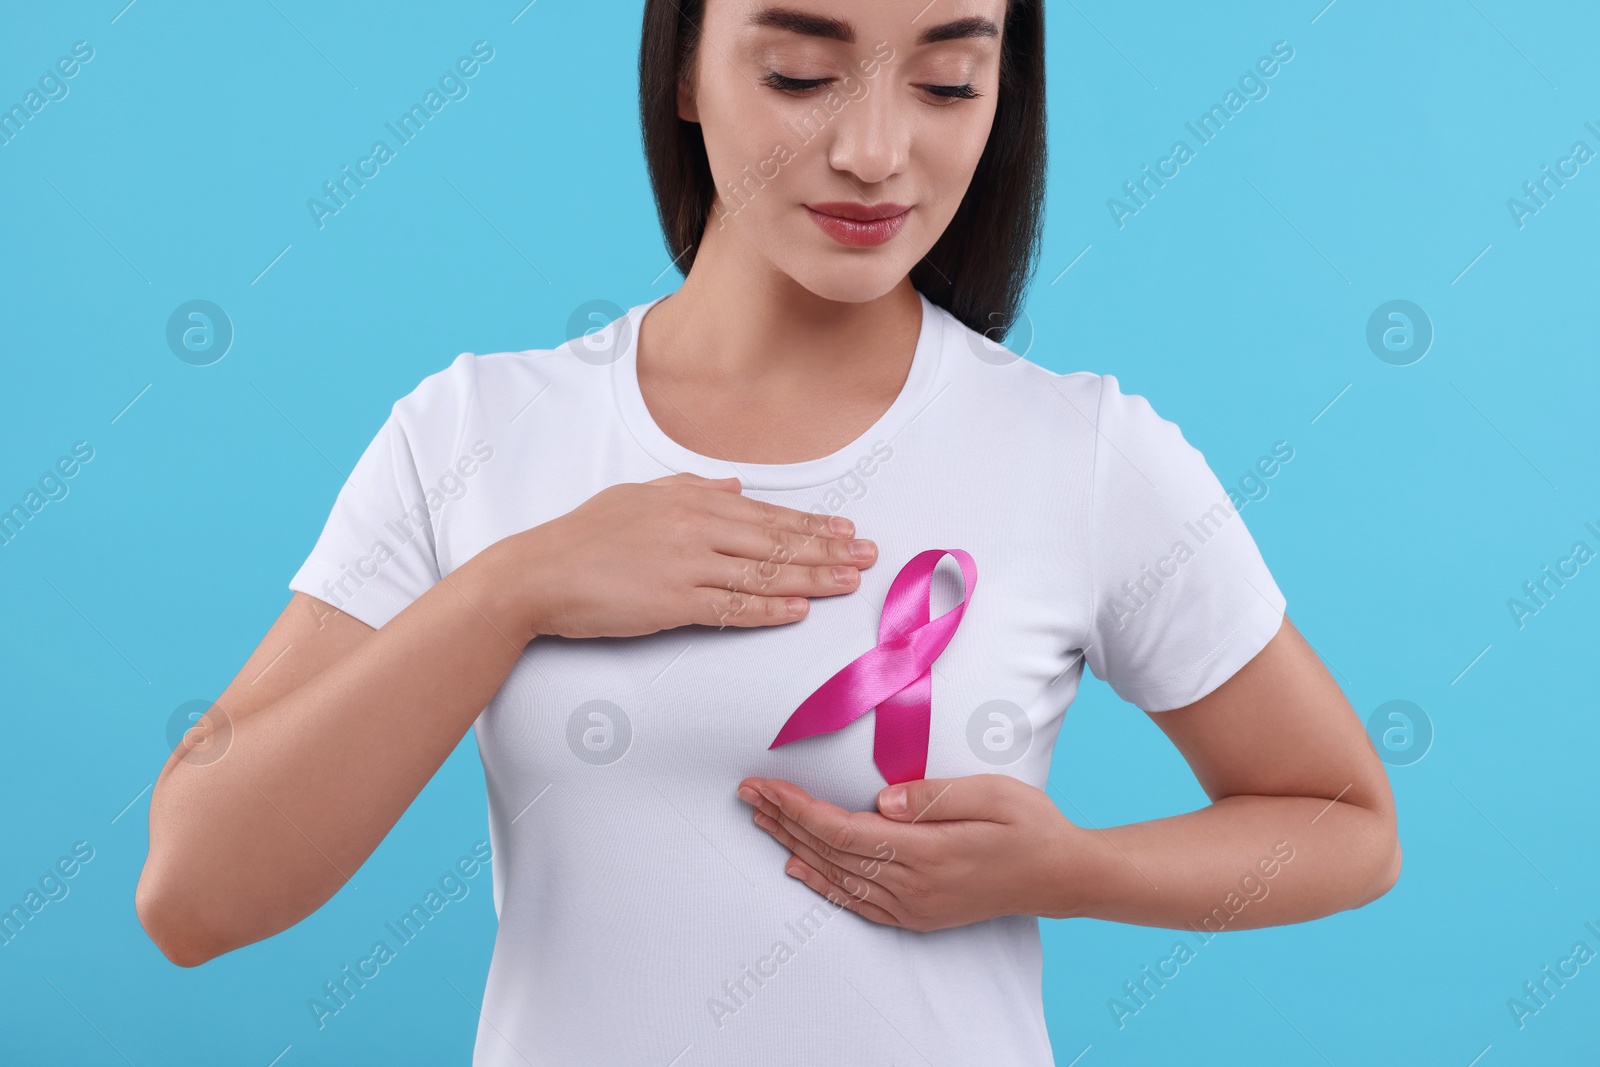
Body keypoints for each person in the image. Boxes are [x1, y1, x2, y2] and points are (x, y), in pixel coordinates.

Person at [135, 2, 1402, 1063]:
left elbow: (1345, 822)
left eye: (949, 83)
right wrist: (514, 588)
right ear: (683, 63)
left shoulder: (1081, 450)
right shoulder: (473, 429)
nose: (873, 149)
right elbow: (195, 892)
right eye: (800, 72)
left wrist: (1070, 871)